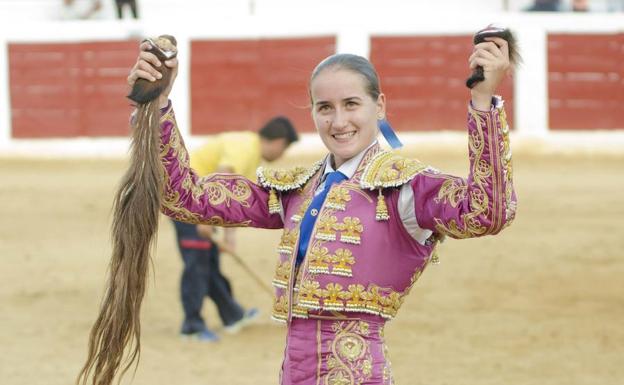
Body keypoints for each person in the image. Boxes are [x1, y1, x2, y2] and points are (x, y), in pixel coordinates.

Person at [87, 34, 516, 385]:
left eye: (352, 104)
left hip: (356, 371)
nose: (338, 121)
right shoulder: (298, 188)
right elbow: (184, 198)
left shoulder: (406, 187)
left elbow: (488, 212)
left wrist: (483, 102)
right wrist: (159, 104)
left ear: (379, 106)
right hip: (293, 369)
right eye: (324, 107)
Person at [174, 117, 299, 341]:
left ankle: (232, 315)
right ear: (279, 142)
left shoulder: (249, 150)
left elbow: (232, 201)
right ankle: (191, 326)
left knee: (208, 262)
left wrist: (229, 238)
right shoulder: (245, 148)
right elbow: (223, 178)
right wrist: (201, 220)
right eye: (285, 148)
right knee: (197, 263)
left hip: (196, 203)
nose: (282, 154)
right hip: (187, 203)